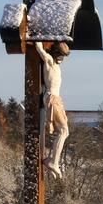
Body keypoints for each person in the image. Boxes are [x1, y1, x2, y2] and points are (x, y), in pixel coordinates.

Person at [35, 41, 70, 179]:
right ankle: (53, 162)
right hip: (51, 98)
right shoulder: (49, 60)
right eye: (61, 55)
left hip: (56, 98)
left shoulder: (57, 66)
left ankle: (52, 160)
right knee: (63, 131)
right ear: (56, 53)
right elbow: (39, 48)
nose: (62, 59)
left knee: (64, 131)